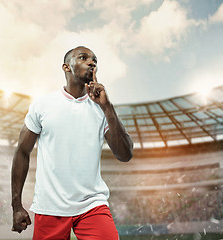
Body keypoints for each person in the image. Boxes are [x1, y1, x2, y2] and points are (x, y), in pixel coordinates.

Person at [11, 46, 133, 240]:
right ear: (66, 67)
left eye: (94, 60)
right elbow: (22, 152)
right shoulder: (42, 105)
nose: (92, 62)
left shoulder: (101, 108)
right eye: (84, 58)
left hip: (92, 204)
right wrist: (16, 205)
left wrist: (107, 107)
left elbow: (125, 155)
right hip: (50, 206)